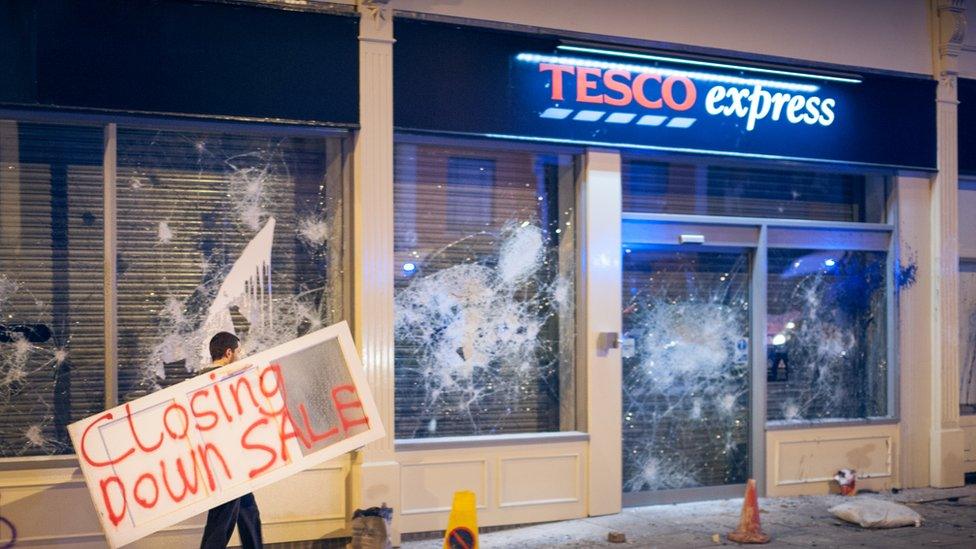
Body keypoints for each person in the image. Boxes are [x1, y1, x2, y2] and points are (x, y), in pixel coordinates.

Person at [199, 331, 264, 549]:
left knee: (248, 510)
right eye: (238, 352)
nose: (240, 357)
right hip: (228, 462)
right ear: (229, 353)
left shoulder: (198, 383)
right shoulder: (227, 382)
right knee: (223, 520)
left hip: (222, 460)